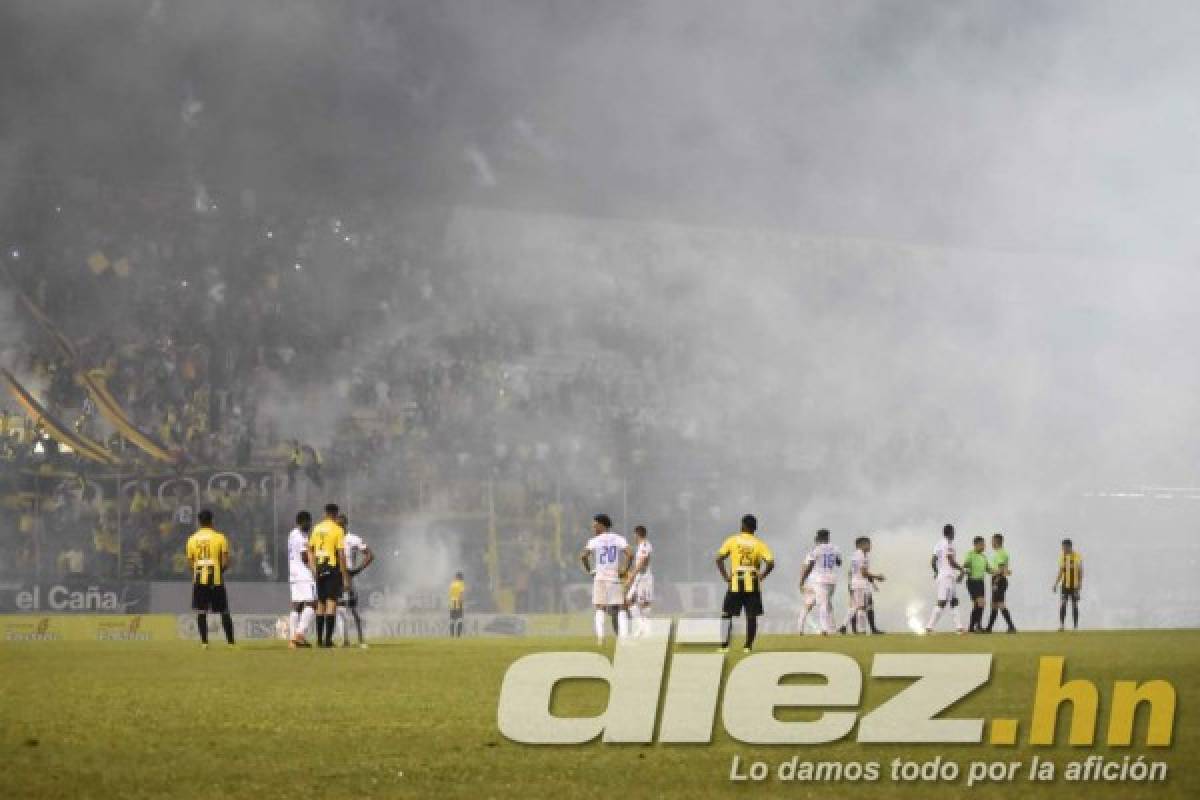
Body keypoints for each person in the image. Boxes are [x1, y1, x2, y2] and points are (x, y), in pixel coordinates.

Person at [716, 514, 775, 653]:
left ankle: (724, 646)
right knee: (751, 616)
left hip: (736, 582)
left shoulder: (732, 540)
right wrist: (763, 575)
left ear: (742, 525)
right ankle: (748, 646)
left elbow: (719, 558)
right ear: (755, 528)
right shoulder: (759, 544)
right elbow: (771, 563)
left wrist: (725, 576)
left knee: (726, 614)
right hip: (753, 583)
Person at [185, 509, 235, 648]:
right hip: (216, 578)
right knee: (224, 611)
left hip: (199, 577)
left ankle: (204, 643)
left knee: (201, 612)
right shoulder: (220, 537)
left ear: (199, 522)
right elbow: (225, 562)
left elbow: (190, 563)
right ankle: (230, 643)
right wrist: (219, 571)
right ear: (212, 520)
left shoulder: (192, 539)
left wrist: (198, 573)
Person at [580, 514, 632, 646]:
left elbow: (583, 556)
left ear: (602, 525)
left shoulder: (594, 540)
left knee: (600, 608)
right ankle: (624, 638)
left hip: (600, 578)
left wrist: (590, 570)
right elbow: (630, 555)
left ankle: (600, 639)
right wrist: (625, 570)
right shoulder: (618, 538)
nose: (593, 527)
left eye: (595, 525)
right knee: (621, 608)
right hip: (613, 577)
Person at [308, 503, 348, 648]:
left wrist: (313, 568)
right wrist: (344, 576)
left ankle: (318, 640)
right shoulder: (338, 530)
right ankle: (327, 640)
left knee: (320, 603)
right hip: (332, 568)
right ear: (336, 514)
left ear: (325, 513)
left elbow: (310, 550)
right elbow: (341, 554)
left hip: (319, 568)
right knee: (331, 603)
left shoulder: (316, 528)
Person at [337, 513, 374, 648]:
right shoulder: (333, 539)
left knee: (352, 609)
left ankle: (361, 639)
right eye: (337, 525)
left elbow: (370, 555)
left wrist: (358, 569)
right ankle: (345, 641)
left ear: (346, 524)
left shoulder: (354, 539)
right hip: (336, 577)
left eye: (341, 525)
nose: (339, 527)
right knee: (340, 609)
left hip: (348, 578)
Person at [798, 529, 841, 636]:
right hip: (831, 580)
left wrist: (801, 581)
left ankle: (823, 629)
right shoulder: (835, 548)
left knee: (812, 605)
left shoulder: (814, 551)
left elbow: (805, 566)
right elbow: (839, 562)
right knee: (827, 604)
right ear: (828, 537)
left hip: (815, 580)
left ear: (817, 539)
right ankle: (829, 628)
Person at [840, 536, 885, 634]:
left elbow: (852, 572)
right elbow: (863, 572)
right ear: (862, 545)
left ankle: (850, 628)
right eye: (869, 544)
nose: (870, 546)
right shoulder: (861, 556)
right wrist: (877, 577)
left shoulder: (856, 555)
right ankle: (859, 629)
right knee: (860, 607)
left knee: (859, 606)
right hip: (860, 583)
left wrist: (872, 584)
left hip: (858, 583)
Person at [925, 524, 965, 634]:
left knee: (954, 601)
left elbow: (933, 561)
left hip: (944, 576)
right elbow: (951, 561)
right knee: (942, 602)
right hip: (948, 577)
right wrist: (961, 569)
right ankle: (929, 627)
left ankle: (959, 627)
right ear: (950, 532)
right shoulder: (948, 544)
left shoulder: (938, 543)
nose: (954, 534)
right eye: (953, 532)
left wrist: (937, 572)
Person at [286, 510, 316, 648]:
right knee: (312, 603)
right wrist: (315, 570)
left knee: (297, 606)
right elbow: (305, 557)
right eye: (307, 522)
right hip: (304, 575)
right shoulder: (302, 537)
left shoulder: (292, 533)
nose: (309, 524)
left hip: (294, 574)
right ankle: (299, 634)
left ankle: (293, 639)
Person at [625, 525, 654, 637]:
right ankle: (642, 627)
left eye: (634, 534)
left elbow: (642, 563)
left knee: (644, 604)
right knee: (628, 601)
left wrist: (631, 576)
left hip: (644, 578)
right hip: (639, 578)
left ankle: (646, 630)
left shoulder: (645, 545)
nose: (633, 537)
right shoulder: (641, 546)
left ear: (637, 534)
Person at [985, 532, 1016, 633]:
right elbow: (1004, 569)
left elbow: (1002, 569)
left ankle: (1011, 627)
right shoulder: (1001, 553)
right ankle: (989, 628)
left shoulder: (1001, 553)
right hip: (998, 579)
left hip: (999, 580)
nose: (991, 543)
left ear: (997, 542)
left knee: (1000, 604)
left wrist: (996, 582)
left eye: (992, 541)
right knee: (994, 604)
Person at [1053, 537, 1083, 631]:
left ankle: (1075, 626)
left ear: (1069, 547)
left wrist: (1079, 584)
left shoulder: (1077, 556)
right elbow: (1061, 571)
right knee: (1063, 603)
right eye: (1062, 547)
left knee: (1074, 605)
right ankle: (1062, 625)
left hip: (1074, 586)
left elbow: (1080, 570)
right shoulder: (1062, 557)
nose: (1063, 549)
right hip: (1065, 585)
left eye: (1064, 547)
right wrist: (1056, 584)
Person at [963, 536, 992, 632]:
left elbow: (988, 569)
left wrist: (998, 571)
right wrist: (963, 572)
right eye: (982, 544)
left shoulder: (983, 557)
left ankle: (971, 627)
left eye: (984, 544)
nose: (984, 546)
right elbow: (965, 565)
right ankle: (978, 626)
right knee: (981, 603)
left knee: (977, 605)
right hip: (972, 581)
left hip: (980, 582)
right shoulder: (970, 554)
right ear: (976, 544)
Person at [448, 571, 466, 637]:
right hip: (458, 601)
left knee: (452, 619)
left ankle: (451, 635)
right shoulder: (461, 584)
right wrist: (461, 601)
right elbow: (461, 593)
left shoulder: (452, 584)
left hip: (452, 602)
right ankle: (458, 635)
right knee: (460, 618)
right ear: (461, 577)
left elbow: (450, 594)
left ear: (456, 577)